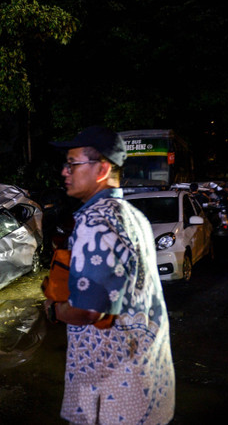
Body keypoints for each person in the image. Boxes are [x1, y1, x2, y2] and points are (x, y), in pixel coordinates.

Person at [46, 126, 175, 424]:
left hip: (114, 389)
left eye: (73, 163)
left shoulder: (94, 221)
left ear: (101, 169)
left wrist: (54, 309)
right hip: (146, 378)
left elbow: (89, 310)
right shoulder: (133, 216)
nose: (65, 172)